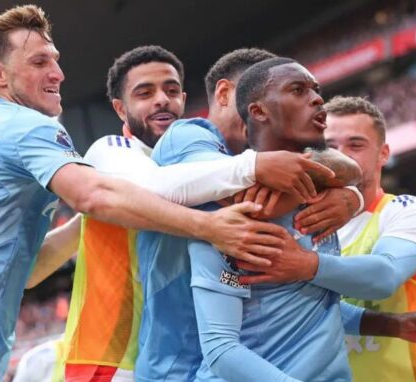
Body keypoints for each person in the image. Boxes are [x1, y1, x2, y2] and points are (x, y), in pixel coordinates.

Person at [0, 8, 305, 381]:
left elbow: (30, 269)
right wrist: (210, 225)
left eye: (56, 61)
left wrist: (92, 222)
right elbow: (94, 194)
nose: (58, 73)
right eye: (40, 61)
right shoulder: (26, 127)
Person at [27, 45, 328, 382]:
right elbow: (154, 185)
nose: (162, 100)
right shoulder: (111, 151)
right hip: (115, 362)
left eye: (171, 91)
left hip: (186, 359)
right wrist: (253, 169)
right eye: (145, 93)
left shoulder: (204, 161)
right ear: (120, 109)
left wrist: (348, 190)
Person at [188, 57, 416, 381]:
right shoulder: (229, 206)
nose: (317, 99)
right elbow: (220, 348)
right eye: (299, 90)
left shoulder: (328, 202)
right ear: (258, 112)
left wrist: (390, 324)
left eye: (317, 90)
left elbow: (305, 304)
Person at [316, 95, 416, 381]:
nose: (341, 155)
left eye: (355, 145)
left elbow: (382, 278)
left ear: (384, 153)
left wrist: (299, 266)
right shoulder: (305, 226)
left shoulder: (407, 211)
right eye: (330, 147)